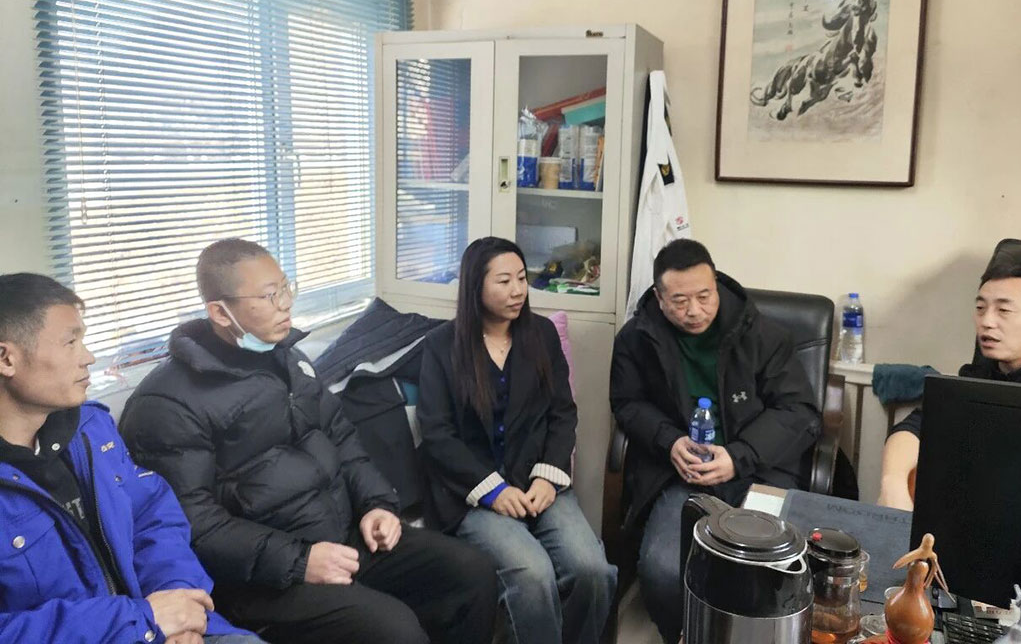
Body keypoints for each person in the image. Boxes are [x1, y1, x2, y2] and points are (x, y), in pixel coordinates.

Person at [119, 239, 497, 644]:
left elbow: (342, 439)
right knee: (395, 630)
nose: (286, 304)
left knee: (470, 572)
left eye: (286, 288)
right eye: (269, 296)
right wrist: (300, 561)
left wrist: (376, 504)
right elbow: (194, 524)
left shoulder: (290, 359)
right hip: (261, 579)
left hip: (340, 536)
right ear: (220, 312)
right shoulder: (167, 404)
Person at [0, 273, 263, 644]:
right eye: (71, 342)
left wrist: (177, 599)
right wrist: (142, 620)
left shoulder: (90, 428)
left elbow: (151, 516)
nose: (88, 357)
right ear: (6, 358)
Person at [610, 238, 822, 644]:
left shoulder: (761, 334)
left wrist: (739, 457)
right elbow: (627, 403)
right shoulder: (637, 338)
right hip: (680, 475)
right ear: (659, 298)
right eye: (680, 301)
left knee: (767, 573)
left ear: (716, 286)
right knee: (663, 569)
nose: (694, 310)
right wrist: (669, 441)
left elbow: (799, 411)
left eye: (704, 296)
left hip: (759, 472)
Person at [417, 237, 616, 644]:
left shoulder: (541, 335)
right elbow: (438, 434)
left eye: (522, 279)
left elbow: (563, 413)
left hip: (540, 484)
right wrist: (494, 491)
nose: (517, 290)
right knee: (532, 574)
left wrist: (547, 477)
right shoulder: (441, 346)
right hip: (473, 495)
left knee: (592, 570)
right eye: (504, 281)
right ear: (475, 286)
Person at [878, 261, 1021, 510]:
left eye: (1003, 310)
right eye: (980, 308)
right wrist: (893, 483)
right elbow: (916, 428)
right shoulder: (976, 376)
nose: (987, 321)